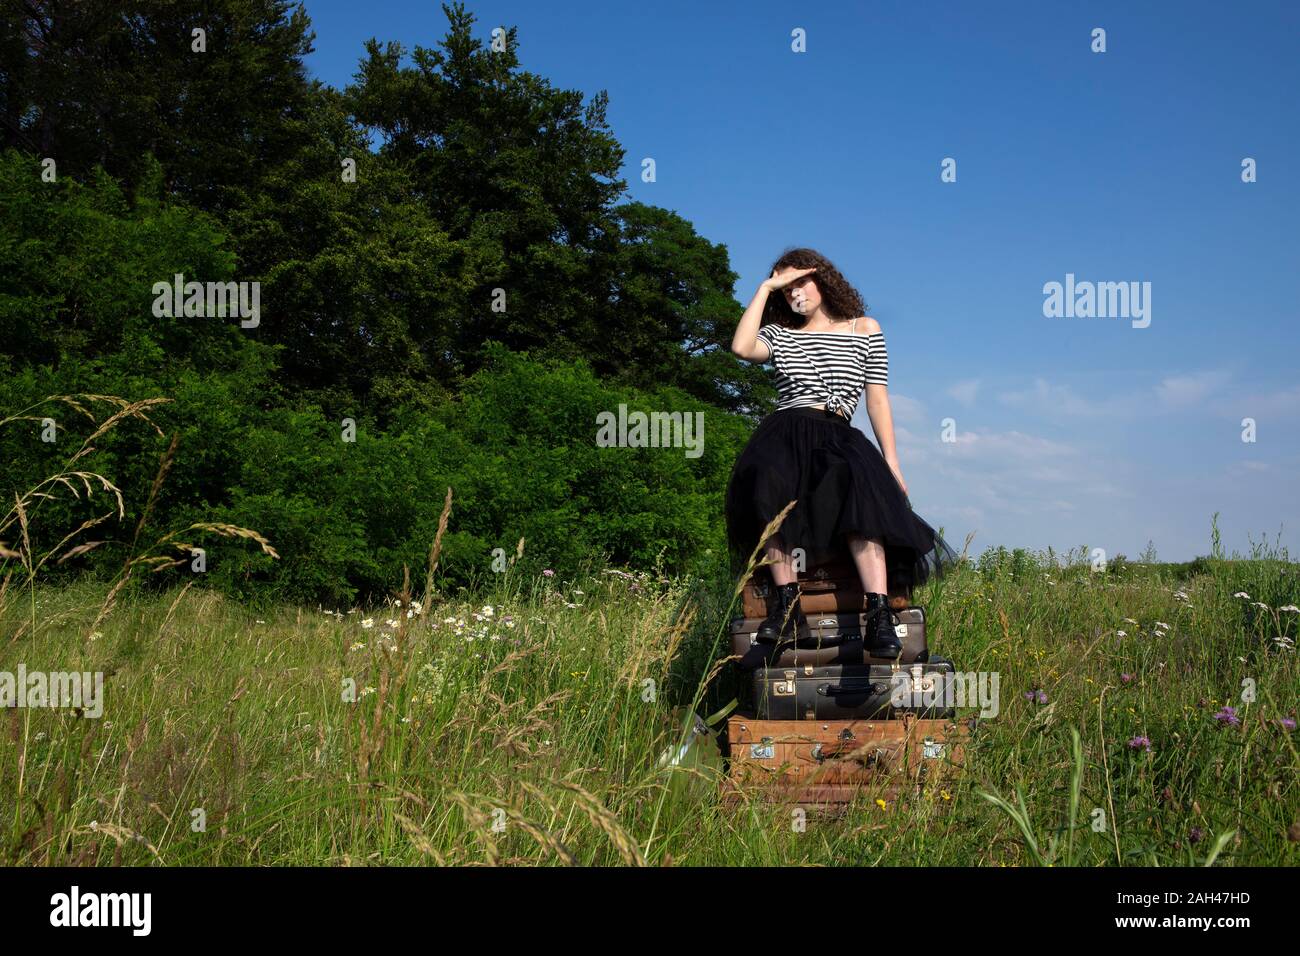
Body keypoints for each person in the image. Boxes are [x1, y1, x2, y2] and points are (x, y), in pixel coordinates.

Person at [724, 249, 959, 657]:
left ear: (822, 278)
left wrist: (892, 461)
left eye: (801, 281)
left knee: (860, 489)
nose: (795, 293)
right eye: (787, 287)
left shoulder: (863, 328)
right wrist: (765, 288)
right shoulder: (779, 333)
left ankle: (880, 614)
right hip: (786, 429)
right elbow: (742, 348)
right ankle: (788, 607)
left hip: (838, 433)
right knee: (763, 482)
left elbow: (878, 401)